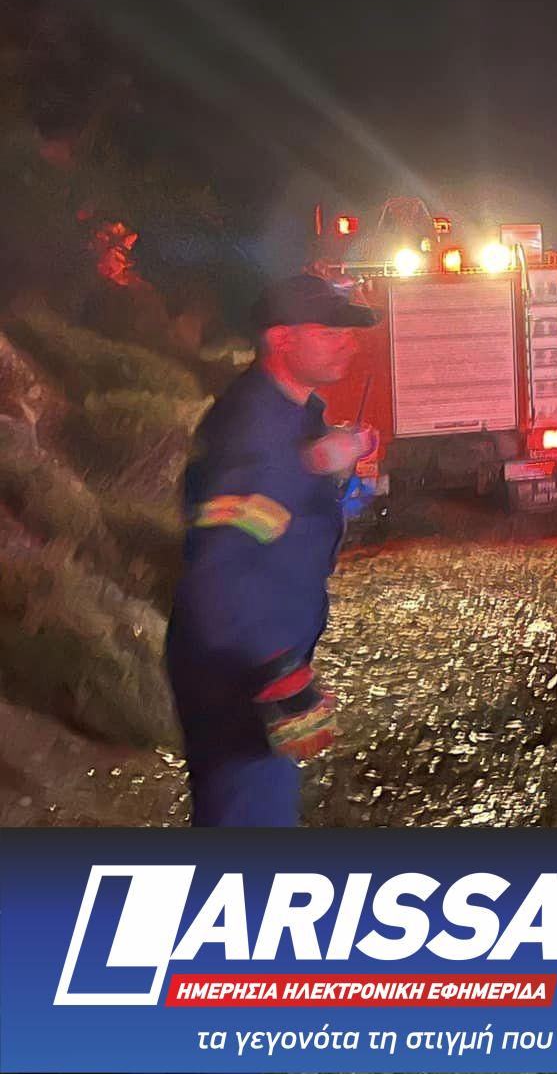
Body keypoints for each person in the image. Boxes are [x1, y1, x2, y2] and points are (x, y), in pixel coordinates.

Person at [165, 273, 380, 826]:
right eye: (329, 333)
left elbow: (281, 508)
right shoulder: (250, 427)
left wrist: (327, 461)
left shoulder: (295, 414)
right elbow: (220, 568)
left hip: (256, 660)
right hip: (237, 671)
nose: (348, 344)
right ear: (282, 339)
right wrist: (281, 674)